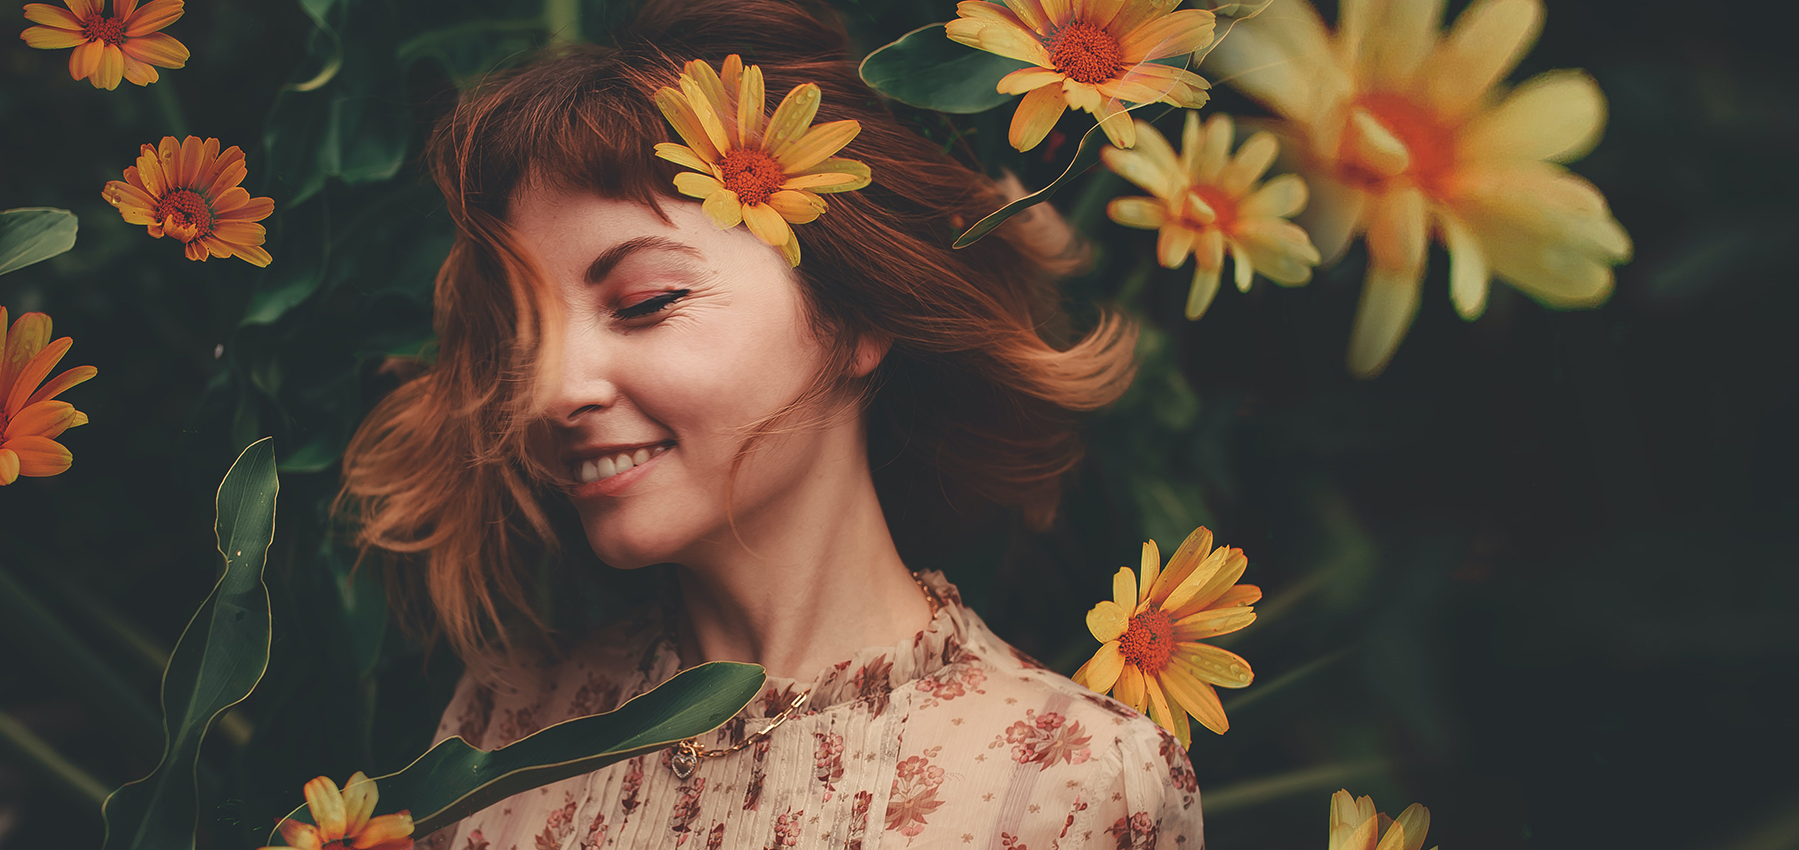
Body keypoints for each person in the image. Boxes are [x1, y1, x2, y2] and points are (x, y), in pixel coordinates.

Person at [339, 0, 1202, 846]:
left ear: (857, 315)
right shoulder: (507, 719)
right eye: (521, 335)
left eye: (644, 302)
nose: (549, 392)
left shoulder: (1075, 784)